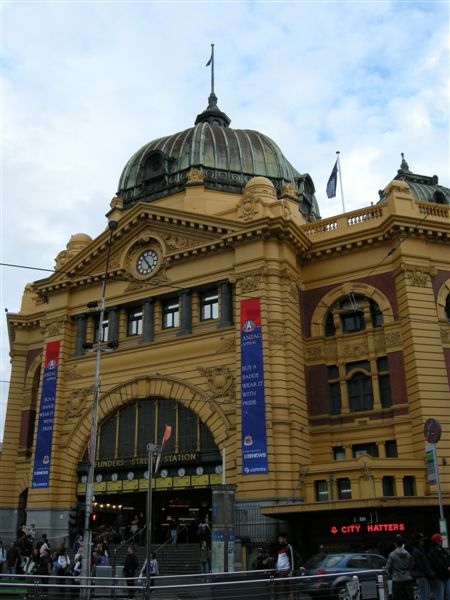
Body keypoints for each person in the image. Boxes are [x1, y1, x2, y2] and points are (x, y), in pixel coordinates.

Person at [386, 534, 414, 600]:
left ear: (395, 543)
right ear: (402, 543)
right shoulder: (408, 554)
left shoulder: (392, 554)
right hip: (407, 579)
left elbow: (388, 568)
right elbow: (412, 565)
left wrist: (391, 575)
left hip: (397, 580)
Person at [410, 533, 434, 600]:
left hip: (422, 576)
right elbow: (424, 566)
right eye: (421, 540)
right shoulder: (417, 552)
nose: (423, 542)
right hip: (422, 576)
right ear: (417, 541)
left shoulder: (418, 550)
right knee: (424, 596)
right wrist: (432, 574)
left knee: (425, 596)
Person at [427, 533, 450, 600]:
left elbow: (448, 559)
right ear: (436, 541)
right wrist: (447, 568)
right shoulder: (432, 553)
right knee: (439, 597)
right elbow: (437, 566)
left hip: (447, 576)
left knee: (448, 596)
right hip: (439, 578)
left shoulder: (443, 550)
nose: (442, 541)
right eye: (440, 540)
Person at [274, 533, 294, 600]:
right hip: (280, 571)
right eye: (278, 538)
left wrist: (291, 571)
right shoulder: (280, 548)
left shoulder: (288, 547)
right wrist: (277, 568)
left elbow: (292, 559)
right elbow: (278, 559)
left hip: (286, 571)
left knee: (287, 588)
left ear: (285, 539)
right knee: (283, 589)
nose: (279, 540)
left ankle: (290, 597)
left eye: (280, 538)